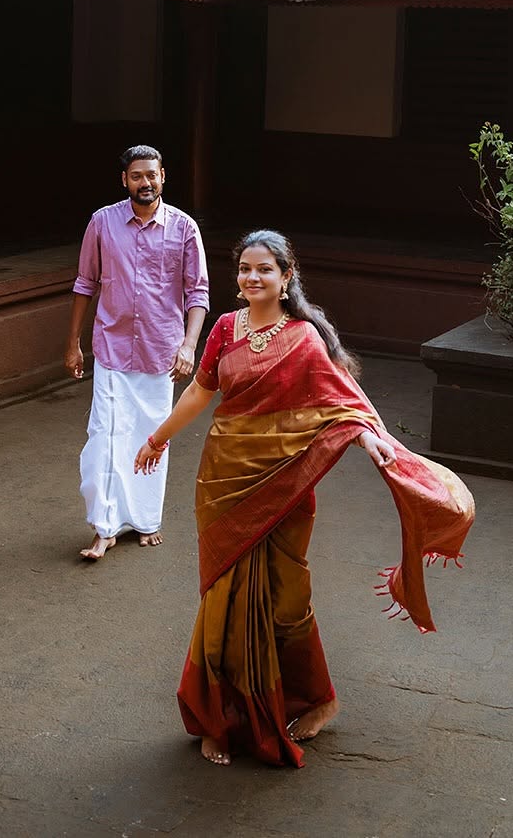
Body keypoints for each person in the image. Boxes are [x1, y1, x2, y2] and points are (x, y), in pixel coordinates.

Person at [134, 229, 475, 768]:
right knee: (222, 602)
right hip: (224, 483)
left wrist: (369, 440)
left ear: (286, 276)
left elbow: (342, 402)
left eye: (264, 269)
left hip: (288, 488)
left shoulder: (305, 339)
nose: (252, 278)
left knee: (288, 604)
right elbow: (201, 391)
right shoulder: (225, 327)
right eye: (245, 268)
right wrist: (157, 438)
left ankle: (320, 700)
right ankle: (218, 719)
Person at [67, 146, 209, 560]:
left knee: (151, 439)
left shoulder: (183, 228)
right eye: (135, 176)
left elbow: (197, 292)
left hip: (160, 354)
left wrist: (188, 344)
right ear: (124, 181)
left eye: (151, 175)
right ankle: (105, 527)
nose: (144, 182)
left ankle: (146, 520)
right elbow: (84, 283)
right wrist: (72, 342)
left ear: (163, 176)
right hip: (111, 348)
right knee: (106, 438)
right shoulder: (102, 222)